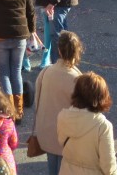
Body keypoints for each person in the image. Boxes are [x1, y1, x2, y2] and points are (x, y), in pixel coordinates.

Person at [33, 31, 83, 175]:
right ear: (77, 51)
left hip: (47, 132)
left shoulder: (45, 72)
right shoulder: (77, 78)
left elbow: (37, 102)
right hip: (68, 136)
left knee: (52, 166)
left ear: (59, 50)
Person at [56, 72, 117, 175]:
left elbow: (61, 142)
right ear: (101, 97)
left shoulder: (62, 116)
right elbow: (108, 165)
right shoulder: (103, 126)